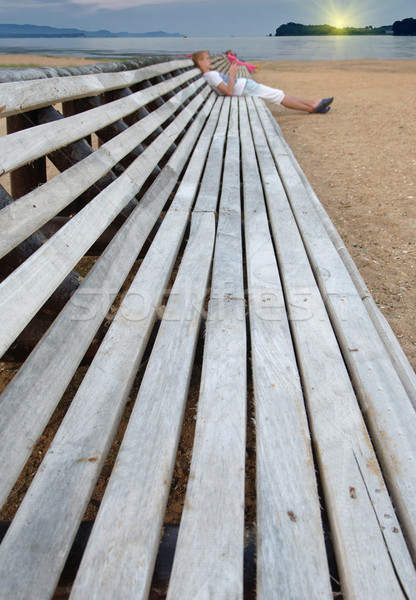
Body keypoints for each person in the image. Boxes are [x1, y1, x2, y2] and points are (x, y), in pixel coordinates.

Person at [192, 50, 333, 114]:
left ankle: (313, 103)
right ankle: (313, 107)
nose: (210, 60)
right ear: (200, 62)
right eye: (207, 58)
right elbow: (229, 92)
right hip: (245, 87)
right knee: (279, 96)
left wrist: (233, 75)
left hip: (245, 86)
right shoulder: (211, 75)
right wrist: (233, 73)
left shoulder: (210, 75)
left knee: (279, 94)